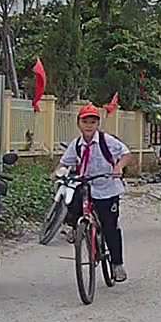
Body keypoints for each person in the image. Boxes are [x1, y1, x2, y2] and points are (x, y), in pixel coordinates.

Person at [59, 104, 130, 282]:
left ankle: (117, 264)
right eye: (85, 122)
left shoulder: (107, 141)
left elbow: (126, 154)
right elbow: (65, 163)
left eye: (92, 122)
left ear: (98, 124)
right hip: (86, 185)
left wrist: (118, 167)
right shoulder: (76, 144)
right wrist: (57, 173)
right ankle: (76, 229)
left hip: (107, 188)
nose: (89, 125)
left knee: (110, 227)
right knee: (71, 200)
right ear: (79, 123)